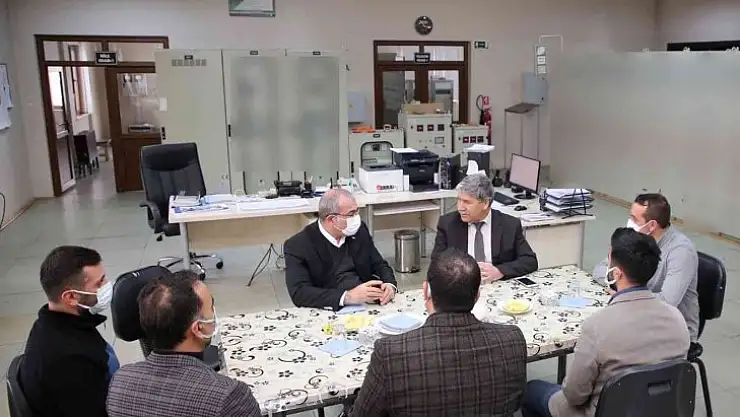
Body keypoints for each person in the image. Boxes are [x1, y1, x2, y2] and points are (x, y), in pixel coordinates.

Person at [522, 228, 691, 417]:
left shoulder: (597, 326)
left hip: (605, 412)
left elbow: (574, 395)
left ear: (616, 273)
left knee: (531, 390)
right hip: (660, 410)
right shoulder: (677, 319)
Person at [350, 248, 527, 416]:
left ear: (426, 291)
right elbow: (515, 401)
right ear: (477, 295)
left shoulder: (390, 353)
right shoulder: (512, 340)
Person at [107, 270, 260, 417]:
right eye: (210, 308)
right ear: (198, 328)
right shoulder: (229, 397)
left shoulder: (119, 383)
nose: (213, 314)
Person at [20, 246, 117, 417]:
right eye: (99, 283)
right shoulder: (68, 361)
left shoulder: (54, 321)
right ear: (71, 297)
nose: (107, 286)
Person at [592, 193, 699, 342]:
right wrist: (621, 286)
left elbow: (667, 302)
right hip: (637, 315)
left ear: (652, 225)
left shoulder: (681, 251)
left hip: (672, 332)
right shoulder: (636, 240)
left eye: (634, 219)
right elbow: (600, 269)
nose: (630, 223)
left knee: (608, 341)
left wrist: (624, 293)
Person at [284, 188, 397, 310]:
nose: (356, 218)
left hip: (367, 303)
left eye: (357, 212)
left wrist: (390, 285)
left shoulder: (359, 231)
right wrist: (348, 297)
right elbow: (299, 293)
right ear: (332, 220)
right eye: (351, 214)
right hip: (330, 307)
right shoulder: (298, 245)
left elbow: (379, 264)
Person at [431, 173, 538, 281]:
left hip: (496, 285)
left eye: (467, 202)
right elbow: (436, 265)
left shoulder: (509, 225)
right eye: (459, 200)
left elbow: (530, 261)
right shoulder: (448, 224)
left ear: (485, 203)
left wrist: (500, 271)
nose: (460, 208)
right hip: (461, 285)